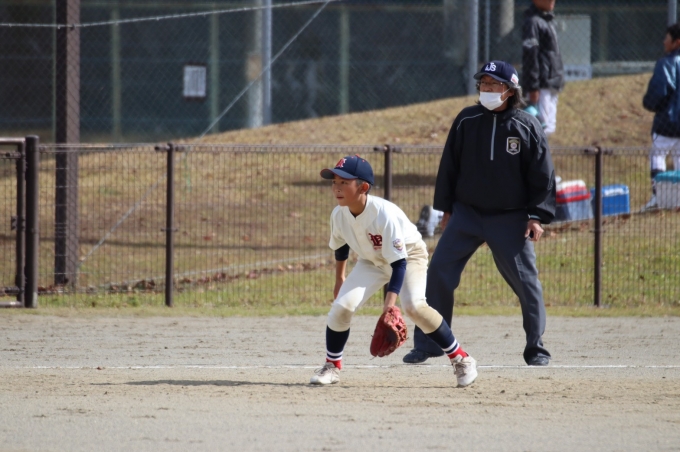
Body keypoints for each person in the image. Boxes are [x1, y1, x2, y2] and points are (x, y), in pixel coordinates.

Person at [403, 60, 556, 367]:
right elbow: (449, 166)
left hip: (511, 218)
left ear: (509, 90)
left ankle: (535, 347)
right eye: (483, 84)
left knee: (527, 282)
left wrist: (536, 216)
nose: (486, 89)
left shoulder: (527, 125)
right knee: (438, 273)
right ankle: (429, 343)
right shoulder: (466, 120)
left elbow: (543, 174)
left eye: (493, 84)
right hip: (466, 214)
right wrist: (446, 208)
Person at [310, 155, 477, 387]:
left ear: (363, 187)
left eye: (344, 182)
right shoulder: (339, 214)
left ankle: (461, 358)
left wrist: (390, 305)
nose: (336, 188)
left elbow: (399, 264)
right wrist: (340, 278)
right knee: (342, 307)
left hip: (409, 256)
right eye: (334, 182)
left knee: (414, 307)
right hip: (371, 261)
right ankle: (332, 366)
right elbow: (341, 246)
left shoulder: (383, 214)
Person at [641, 22, 680, 210]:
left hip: (667, 122)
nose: (664, 41)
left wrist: (649, 103)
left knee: (658, 155)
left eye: (667, 38)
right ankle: (677, 199)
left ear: (677, 42)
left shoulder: (666, 63)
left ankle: (659, 197)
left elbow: (658, 92)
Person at [521, 0, 564, 136]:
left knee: (548, 128)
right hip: (541, 85)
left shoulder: (547, 21)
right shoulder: (533, 22)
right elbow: (530, 57)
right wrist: (533, 87)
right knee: (539, 129)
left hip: (551, 83)